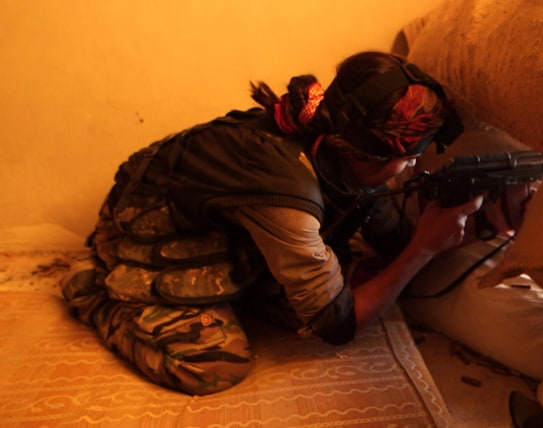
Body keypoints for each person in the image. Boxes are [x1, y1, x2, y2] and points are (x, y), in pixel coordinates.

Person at [60, 51, 495, 396]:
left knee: (345, 278)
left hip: (223, 231)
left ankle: (241, 286)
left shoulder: (340, 157)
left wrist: (467, 218)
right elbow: (336, 324)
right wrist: (423, 249)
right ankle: (95, 289)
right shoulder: (287, 189)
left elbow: (388, 239)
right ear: (369, 154)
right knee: (214, 364)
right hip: (146, 231)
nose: (415, 164)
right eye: (408, 156)